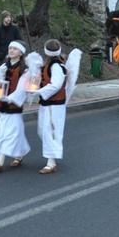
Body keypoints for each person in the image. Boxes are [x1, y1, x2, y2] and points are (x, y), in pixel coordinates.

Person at [32, 39, 81, 174]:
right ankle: (51, 156)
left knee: (52, 131)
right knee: (42, 130)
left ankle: (51, 162)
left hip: (55, 104)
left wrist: (39, 92)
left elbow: (56, 85)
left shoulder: (57, 66)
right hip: (46, 103)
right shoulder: (47, 65)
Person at [0, 40, 31, 172]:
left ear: (21, 53)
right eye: (10, 48)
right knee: (9, 131)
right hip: (3, 105)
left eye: (15, 49)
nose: (11, 50)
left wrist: (10, 98)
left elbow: (21, 89)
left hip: (13, 106)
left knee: (9, 133)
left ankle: (0, 161)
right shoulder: (3, 67)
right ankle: (19, 155)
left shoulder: (24, 70)